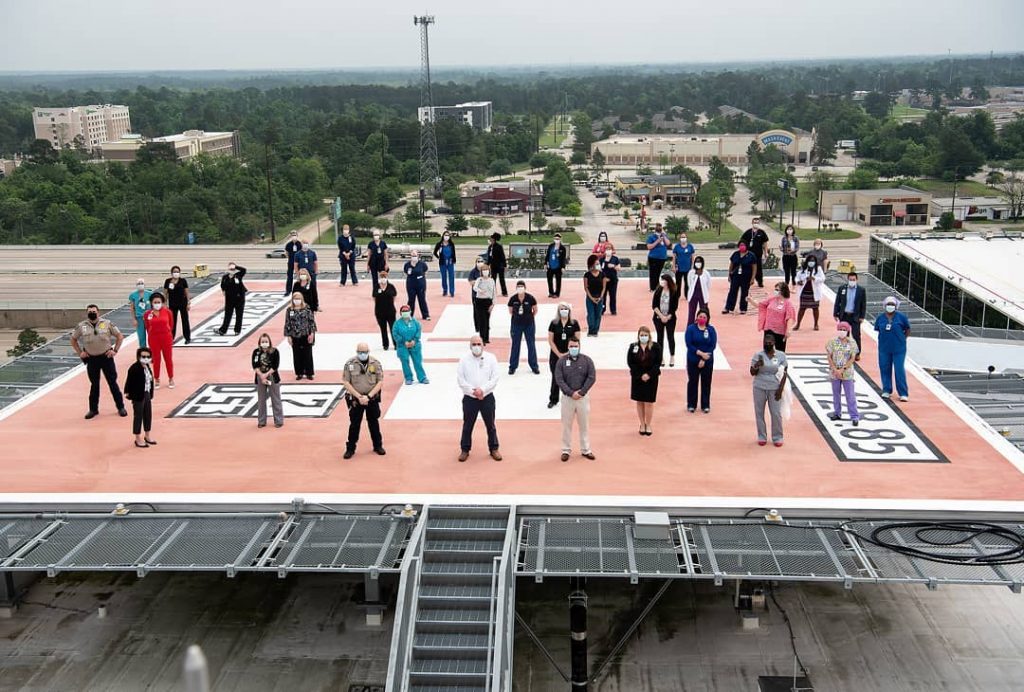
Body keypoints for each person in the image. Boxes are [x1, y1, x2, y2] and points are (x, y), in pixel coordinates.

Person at [71, 305, 127, 419]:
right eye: (90, 312)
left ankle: (121, 407)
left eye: (94, 311)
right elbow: (73, 339)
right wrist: (80, 352)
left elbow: (119, 336)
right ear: (87, 313)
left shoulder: (107, 323)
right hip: (91, 359)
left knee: (113, 383)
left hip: (106, 357)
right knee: (94, 385)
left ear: (98, 312)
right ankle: (93, 409)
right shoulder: (82, 326)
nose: (92, 313)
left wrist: (115, 350)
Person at [456, 335, 502, 462]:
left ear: (483, 345)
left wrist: (483, 390)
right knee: (467, 425)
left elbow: (495, 377)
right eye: (474, 344)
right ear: (470, 346)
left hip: (487, 397)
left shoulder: (491, 358)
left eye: (479, 344)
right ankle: (465, 449)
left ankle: (494, 448)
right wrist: (473, 391)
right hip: (470, 398)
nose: (476, 347)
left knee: (490, 425)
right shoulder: (464, 360)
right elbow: (461, 379)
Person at [555, 337, 597, 462]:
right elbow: (559, 378)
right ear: (568, 347)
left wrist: (582, 392)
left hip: (582, 399)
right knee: (566, 425)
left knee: (584, 425)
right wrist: (570, 392)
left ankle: (586, 449)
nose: (574, 348)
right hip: (567, 399)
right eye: (571, 346)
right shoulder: (561, 361)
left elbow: (591, 377)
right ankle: (566, 450)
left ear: (579, 346)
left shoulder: (587, 360)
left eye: (576, 346)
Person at [341, 343, 386, 459]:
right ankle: (350, 448)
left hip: (371, 398)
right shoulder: (350, 364)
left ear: (368, 351)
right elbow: (346, 382)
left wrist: (369, 397)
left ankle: (378, 445)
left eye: (364, 352)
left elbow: (380, 382)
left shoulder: (375, 363)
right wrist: (359, 396)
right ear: (357, 352)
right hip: (356, 399)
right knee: (354, 424)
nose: (362, 354)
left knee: (374, 422)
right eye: (360, 352)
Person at [750, 333, 788, 447]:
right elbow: (752, 372)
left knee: (776, 413)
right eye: (765, 342)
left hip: (775, 388)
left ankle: (778, 437)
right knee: (759, 412)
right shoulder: (758, 355)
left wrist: (780, 389)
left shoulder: (781, 355)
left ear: (774, 343)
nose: (767, 344)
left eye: (769, 342)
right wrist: (757, 365)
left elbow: (784, 373)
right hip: (759, 387)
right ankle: (762, 436)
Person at [873, 296, 911, 401]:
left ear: (896, 306)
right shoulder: (880, 318)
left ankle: (903, 393)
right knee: (885, 368)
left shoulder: (901, 317)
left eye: (892, 304)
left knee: (899, 370)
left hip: (899, 348)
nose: (890, 306)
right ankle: (886, 390)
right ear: (885, 305)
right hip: (884, 348)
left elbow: (907, 329)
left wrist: (903, 339)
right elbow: (878, 329)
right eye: (888, 304)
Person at [627, 325, 661, 435]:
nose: (643, 337)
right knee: (640, 401)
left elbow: (657, 363)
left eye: (645, 335)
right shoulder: (633, 347)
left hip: (651, 378)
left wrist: (649, 374)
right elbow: (630, 362)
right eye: (641, 335)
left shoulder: (655, 347)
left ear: (649, 336)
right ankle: (642, 424)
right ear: (638, 336)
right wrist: (640, 375)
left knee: (649, 402)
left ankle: (648, 424)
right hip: (638, 378)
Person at [548, 302, 581, 409]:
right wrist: (558, 354)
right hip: (555, 355)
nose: (564, 310)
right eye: (562, 309)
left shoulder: (574, 323)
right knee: (556, 377)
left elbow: (577, 339)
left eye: (566, 308)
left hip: (570, 354)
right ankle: (553, 399)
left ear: (569, 310)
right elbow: (550, 340)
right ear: (558, 311)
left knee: (571, 377)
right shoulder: (554, 323)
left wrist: (567, 353)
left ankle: (572, 399)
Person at [826, 322, 860, 425]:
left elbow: (852, 358)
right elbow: (829, 356)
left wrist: (842, 369)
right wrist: (835, 369)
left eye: (844, 329)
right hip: (834, 372)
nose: (842, 331)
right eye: (840, 329)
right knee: (836, 393)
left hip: (847, 373)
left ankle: (854, 416)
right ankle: (837, 412)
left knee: (850, 394)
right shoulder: (832, 342)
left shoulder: (852, 343)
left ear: (848, 331)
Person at [685, 308, 717, 413]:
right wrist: (700, 353)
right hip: (693, 359)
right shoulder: (691, 329)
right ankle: (691, 404)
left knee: (706, 382)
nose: (702, 319)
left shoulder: (711, 330)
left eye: (704, 317)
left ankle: (705, 405)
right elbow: (689, 344)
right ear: (697, 317)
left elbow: (712, 345)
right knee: (693, 381)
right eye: (700, 316)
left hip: (707, 360)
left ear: (707, 319)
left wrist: (704, 357)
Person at [123, 347, 156, 448]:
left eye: (148, 356)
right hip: (137, 395)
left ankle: (147, 435)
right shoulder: (134, 368)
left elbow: (150, 381)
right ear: (139, 357)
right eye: (143, 356)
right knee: (138, 416)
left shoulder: (147, 367)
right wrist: (128, 392)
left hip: (146, 394)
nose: (146, 358)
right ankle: (137, 438)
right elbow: (129, 381)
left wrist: (150, 394)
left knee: (148, 414)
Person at [507, 280, 540, 375]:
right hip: (516, 325)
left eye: (522, 286)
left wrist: (529, 317)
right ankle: (512, 366)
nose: (520, 288)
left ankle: (534, 366)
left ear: (525, 288)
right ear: (516, 288)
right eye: (518, 286)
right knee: (515, 345)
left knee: (531, 345)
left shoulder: (530, 298)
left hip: (529, 324)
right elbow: (510, 311)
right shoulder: (513, 299)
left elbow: (535, 310)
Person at [143, 292, 175, 389]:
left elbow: (171, 324)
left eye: (159, 302)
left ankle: (171, 378)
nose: (157, 304)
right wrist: (152, 334)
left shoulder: (167, 312)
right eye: (155, 302)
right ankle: (156, 378)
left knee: (168, 359)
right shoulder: (148, 314)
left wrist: (167, 332)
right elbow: (147, 327)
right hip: (154, 339)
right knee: (156, 360)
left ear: (162, 302)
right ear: (152, 303)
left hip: (166, 338)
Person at [251, 333, 283, 428]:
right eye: (262, 341)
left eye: (266, 341)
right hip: (260, 377)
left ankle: (278, 420)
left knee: (275, 399)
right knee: (261, 400)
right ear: (259, 343)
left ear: (269, 342)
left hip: (272, 376)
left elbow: (275, 366)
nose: (264, 343)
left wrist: (266, 374)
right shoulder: (256, 352)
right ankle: (261, 421)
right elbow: (255, 365)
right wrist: (261, 375)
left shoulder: (274, 351)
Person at [833, 271, 867, 358]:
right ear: (848, 279)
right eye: (850, 279)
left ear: (856, 280)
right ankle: (844, 352)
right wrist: (835, 313)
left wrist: (862, 316)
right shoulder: (842, 288)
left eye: (853, 279)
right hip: (844, 315)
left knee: (856, 335)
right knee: (844, 335)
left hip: (855, 316)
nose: (852, 281)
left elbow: (863, 304)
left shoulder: (861, 290)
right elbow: (838, 301)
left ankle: (857, 353)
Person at [393, 305, 429, 385]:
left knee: (417, 361)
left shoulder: (415, 322)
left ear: (410, 312)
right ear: (401, 313)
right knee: (405, 362)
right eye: (403, 311)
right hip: (402, 346)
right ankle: (408, 378)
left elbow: (418, 331)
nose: (405, 313)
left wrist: (414, 340)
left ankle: (422, 377)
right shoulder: (397, 324)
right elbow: (395, 334)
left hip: (415, 345)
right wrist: (403, 341)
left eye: (407, 311)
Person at [284, 291, 317, 380]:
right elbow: (287, 323)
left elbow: (312, 322)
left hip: (306, 334)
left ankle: (309, 373)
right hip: (295, 335)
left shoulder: (307, 309)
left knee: (308, 354)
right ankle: (299, 373)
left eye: (298, 299)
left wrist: (312, 334)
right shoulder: (289, 310)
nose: (297, 300)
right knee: (297, 354)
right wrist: (288, 336)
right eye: (295, 299)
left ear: (302, 299)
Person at [757, 282, 796, 352]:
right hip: (769, 328)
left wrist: (788, 331)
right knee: (767, 350)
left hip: (780, 331)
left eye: (777, 290)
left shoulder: (788, 304)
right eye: (775, 289)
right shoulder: (772, 299)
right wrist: (750, 300)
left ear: (783, 291)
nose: (775, 291)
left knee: (780, 351)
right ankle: (767, 362)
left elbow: (790, 317)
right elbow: (761, 305)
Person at [652, 273, 680, 367]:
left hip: (670, 318)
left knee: (670, 337)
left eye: (663, 280)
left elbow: (675, 307)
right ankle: (661, 357)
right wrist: (661, 316)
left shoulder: (674, 291)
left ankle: (672, 356)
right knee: (660, 337)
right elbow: (654, 305)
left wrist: (667, 317)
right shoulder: (658, 291)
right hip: (658, 318)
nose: (662, 282)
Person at [723, 243, 756, 315]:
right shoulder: (735, 254)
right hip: (735, 276)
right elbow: (731, 265)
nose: (742, 247)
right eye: (740, 245)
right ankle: (728, 307)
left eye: (743, 245)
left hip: (746, 276)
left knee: (744, 292)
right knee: (732, 291)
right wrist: (729, 275)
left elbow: (754, 267)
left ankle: (743, 308)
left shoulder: (751, 255)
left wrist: (753, 278)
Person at [794, 255, 826, 331]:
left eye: (813, 261)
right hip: (804, 292)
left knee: (815, 308)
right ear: (807, 261)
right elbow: (797, 277)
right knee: (802, 308)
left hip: (814, 292)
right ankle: (798, 324)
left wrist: (814, 278)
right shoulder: (804, 268)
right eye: (810, 261)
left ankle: (816, 324)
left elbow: (823, 278)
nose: (811, 262)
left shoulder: (818, 269)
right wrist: (798, 281)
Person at [163, 266, 191, 343]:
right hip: (172, 304)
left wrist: (188, 302)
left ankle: (187, 338)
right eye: (174, 271)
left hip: (183, 303)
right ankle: (171, 338)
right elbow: (165, 293)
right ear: (171, 273)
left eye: (177, 271)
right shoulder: (168, 281)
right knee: (172, 322)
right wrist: (164, 303)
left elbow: (187, 292)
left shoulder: (183, 281)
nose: (176, 273)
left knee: (185, 320)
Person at [740, 219, 770, 288]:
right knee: (748, 268)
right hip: (749, 254)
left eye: (757, 222)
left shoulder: (762, 232)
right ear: (752, 223)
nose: (755, 224)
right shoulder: (748, 232)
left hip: (758, 254)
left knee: (758, 269)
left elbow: (765, 243)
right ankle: (748, 281)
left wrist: (766, 252)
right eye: (754, 222)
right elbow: (742, 242)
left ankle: (760, 282)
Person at [218, 262, 247, 336]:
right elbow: (222, 286)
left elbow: (244, 270)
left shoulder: (238, 275)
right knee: (227, 315)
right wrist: (223, 290)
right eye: (230, 268)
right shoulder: (225, 277)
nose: (231, 270)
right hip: (229, 299)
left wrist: (236, 266)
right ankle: (223, 330)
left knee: (239, 315)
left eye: (232, 268)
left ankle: (237, 330)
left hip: (239, 299)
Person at [583, 255, 609, 337]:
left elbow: (604, 287)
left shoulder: (602, 274)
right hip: (590, 297)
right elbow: (586, 288)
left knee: (598, 314)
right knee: (591, 314)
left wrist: (601, 297)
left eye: (598, 263)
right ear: (591, 264)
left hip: (599, 297)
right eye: (596, 263)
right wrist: (591, 298)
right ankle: (591, 330)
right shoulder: (587, 275)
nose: (598, 265)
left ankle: (596, 331)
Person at [372, 271, 397, 351]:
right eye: (382, 277)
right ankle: (385, 345)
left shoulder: (391, 286)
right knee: (383, 329)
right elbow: (374, 297)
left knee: (393, 328)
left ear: (387, 277)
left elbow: (394, 296)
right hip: (380, 311)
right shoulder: (376, 286)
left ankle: (396, 344)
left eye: (384, 276)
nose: (383, 278)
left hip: (390, 311)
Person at [403, 250, 430, 320]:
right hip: (411, 284)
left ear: (418, 256)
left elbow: (426, 271)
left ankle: (426, 315)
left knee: (422, 299)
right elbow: (406, 273)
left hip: (420, 284)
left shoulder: (422, 264)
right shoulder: (407, 265)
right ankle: (409, 315)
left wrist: (421, 278)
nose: (414, 257)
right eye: (412, 256)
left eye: (415, 256)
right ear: (410, 256)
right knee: (411, 300)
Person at [473, 263, 496, 344]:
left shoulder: (491, 280)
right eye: (483, 271)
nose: (485, 272)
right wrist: (480, 290)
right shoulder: (479, 280)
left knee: (487, 320)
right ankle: (482, 338)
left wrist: (493, 304)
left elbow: (494, 292)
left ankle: (486, 338)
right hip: (480, 301)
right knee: (482, 320)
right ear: (481, 272)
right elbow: (475, 287)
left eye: (486, 270)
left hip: (488, 301)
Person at [686, 255, 711, 326]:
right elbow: (689, 283)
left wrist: (705, 291)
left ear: (702, 263)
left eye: (699, 262)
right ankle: (690, 327)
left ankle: (705, 326)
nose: (698, 263)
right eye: (697, 261)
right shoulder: (691, 272)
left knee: (704, 312)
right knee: (691, 312)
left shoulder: (706, 273)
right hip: (693, 294)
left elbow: (708, 284)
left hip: (703, 295)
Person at [645, 223, 671, 291]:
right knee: (653, 273)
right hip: (653, 257)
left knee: (658, 273)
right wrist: (657, 241)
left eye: (660, 226)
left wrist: (664, 236)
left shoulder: (664, 235)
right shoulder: (651, 236)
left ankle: (657, 286)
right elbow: (649, 247)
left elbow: (668, 243)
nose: (659, 227)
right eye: (658, 226)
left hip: (662, 258)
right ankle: (653, 287)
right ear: (655, 228)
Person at [128, 278, 152, 347]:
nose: (140, 285)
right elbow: (132, 308)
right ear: (136, 285)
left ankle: (152, 350)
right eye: (138, 283)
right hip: (139, 318)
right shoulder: (133, 295)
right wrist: (134, 319)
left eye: (141, 283)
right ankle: (143, 351)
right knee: (141, 336)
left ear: (144, 285)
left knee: (151, 335)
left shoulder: (149, 294)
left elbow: (153, 305)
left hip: (149, 317)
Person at [433, 231, 457, 297]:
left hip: (450, 262)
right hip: (442, 263)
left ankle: (452, 292)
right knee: (444, 277)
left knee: (451, 277)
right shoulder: (439, 244)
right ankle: (445, 290)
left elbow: (454, 253)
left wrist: (454, 260)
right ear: (443, 236)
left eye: (448, 235)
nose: (446, 237)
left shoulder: (451, 244)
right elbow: (435, 252)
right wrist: (439, 258)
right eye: (445, 235)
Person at [599, 245, 621, 315]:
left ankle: (613, 310)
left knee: (613, 295)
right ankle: (602, 309)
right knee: (603, 296)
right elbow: (599, 269)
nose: (608, 250)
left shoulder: (615, 259)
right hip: (604, 281)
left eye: (609, 249)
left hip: (613, 280)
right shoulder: (601, 259)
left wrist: (614, 266)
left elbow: (619, 268)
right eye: (606, 249)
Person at [672, 231, 695, 297]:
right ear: (680, 238)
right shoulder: (677, 246)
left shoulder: (690, 246)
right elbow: (674, 257)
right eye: (682, 237)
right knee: (678, 283)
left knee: (687, 283)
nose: (683, 238)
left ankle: (687, 295)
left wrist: (693, 266)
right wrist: (673, 266)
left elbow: (693, 257)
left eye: (684, 237)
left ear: (686, 238)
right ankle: (677, 295)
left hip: (688, 268)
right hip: (679, 268)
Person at [546, 234, 568, 298]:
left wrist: (563, 267)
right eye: (555, 239)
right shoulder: (551, 246)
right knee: (549, 280)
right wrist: (545, 263)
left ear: (560, 239)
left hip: (558, 267)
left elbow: (563, 258)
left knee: (558, 281)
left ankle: (557, 293)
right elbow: (547, 255)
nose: (556, 240)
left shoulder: (562, 248)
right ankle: (551, 292)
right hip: (550, 266)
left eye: (558, 239)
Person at [486, 232, 508, 297]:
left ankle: (504, 292)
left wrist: (505, 266)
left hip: (500, 265)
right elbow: (489, 257)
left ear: (494, 239)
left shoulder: (499, 246)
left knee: (502, 279)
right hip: (493, 266)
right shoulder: (490, 247)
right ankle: (493, 292)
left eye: (491, 238)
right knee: (493, 279)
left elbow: (502, 256)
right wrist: (487, 264)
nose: (490, 239)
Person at [467, 257, 485, 332]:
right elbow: (471, 282)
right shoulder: (473, 272)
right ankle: (477, 327)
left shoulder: (485, 271)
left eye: (481, 261)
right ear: (476, 263)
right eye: (478, 261)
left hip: (485, 295)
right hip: (476, 295)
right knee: (476, 311)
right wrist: (479, 281)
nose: (480, 263)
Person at [284, 230, 302, 295]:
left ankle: (300, 289)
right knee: (289, 276)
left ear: (297, 236)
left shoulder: (300, 244)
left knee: (300, 275)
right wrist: (290, 258)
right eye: (292, 235)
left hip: (298, 262)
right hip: (291, 262)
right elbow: (286, 253)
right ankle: (288, 290)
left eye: (295, 235)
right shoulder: (288, 245)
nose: (294, 236)